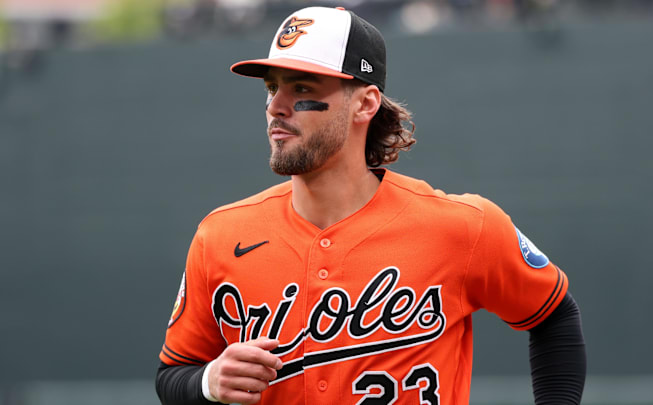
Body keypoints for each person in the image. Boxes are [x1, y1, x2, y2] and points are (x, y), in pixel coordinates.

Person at [155, 6, 586, 405]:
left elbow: (554, 315)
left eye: (301, 88)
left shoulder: (463, 227)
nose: (276, 108)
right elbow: (173, 373)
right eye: (271, 89)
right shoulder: (220, 235)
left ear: (365, 103)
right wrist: (208, 382)